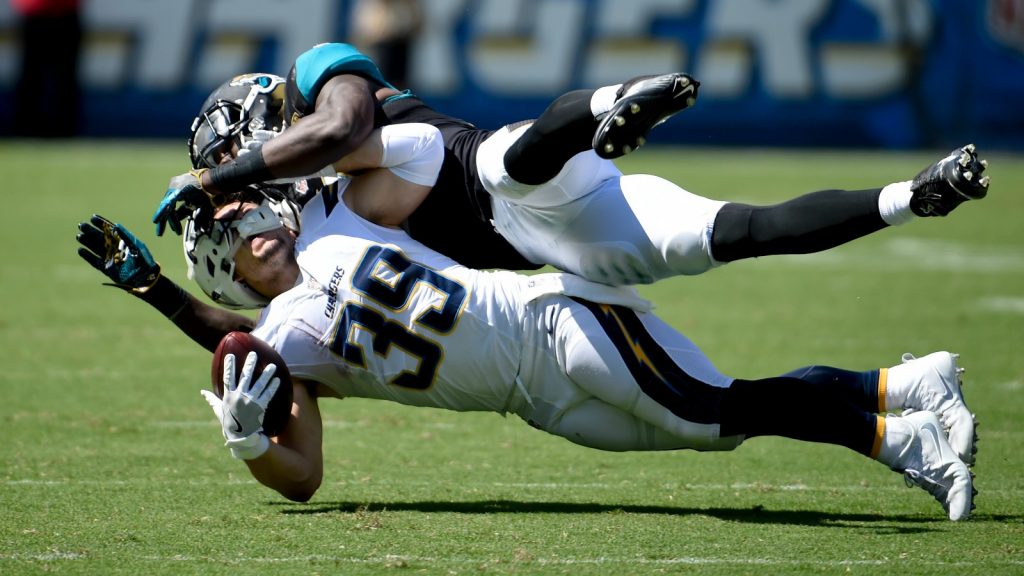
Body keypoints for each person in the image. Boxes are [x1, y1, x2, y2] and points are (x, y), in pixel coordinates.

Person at [80, 124, 976, 520]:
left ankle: (903, 441)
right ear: (226, 265)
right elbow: (303, 473)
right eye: (232, 227)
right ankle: (903, 386)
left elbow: (369, 142)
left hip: (554, 322)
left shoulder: (339, 212)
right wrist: (250, 445)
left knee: (711, 409)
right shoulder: (283, 342)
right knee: (720, 423)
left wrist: (237, 180)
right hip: (535, 400)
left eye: (244, 207)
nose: (252, 217)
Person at [153, 42, 990, 284]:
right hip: (556, 244)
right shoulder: (322, 214)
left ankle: (604, 105)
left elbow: (339, 132)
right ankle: (913, 196)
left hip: (490, 177)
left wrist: (216, 179)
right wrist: (158, 288)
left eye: (242, 154)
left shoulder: (322, 80)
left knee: (500, 163)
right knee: (738, 234)